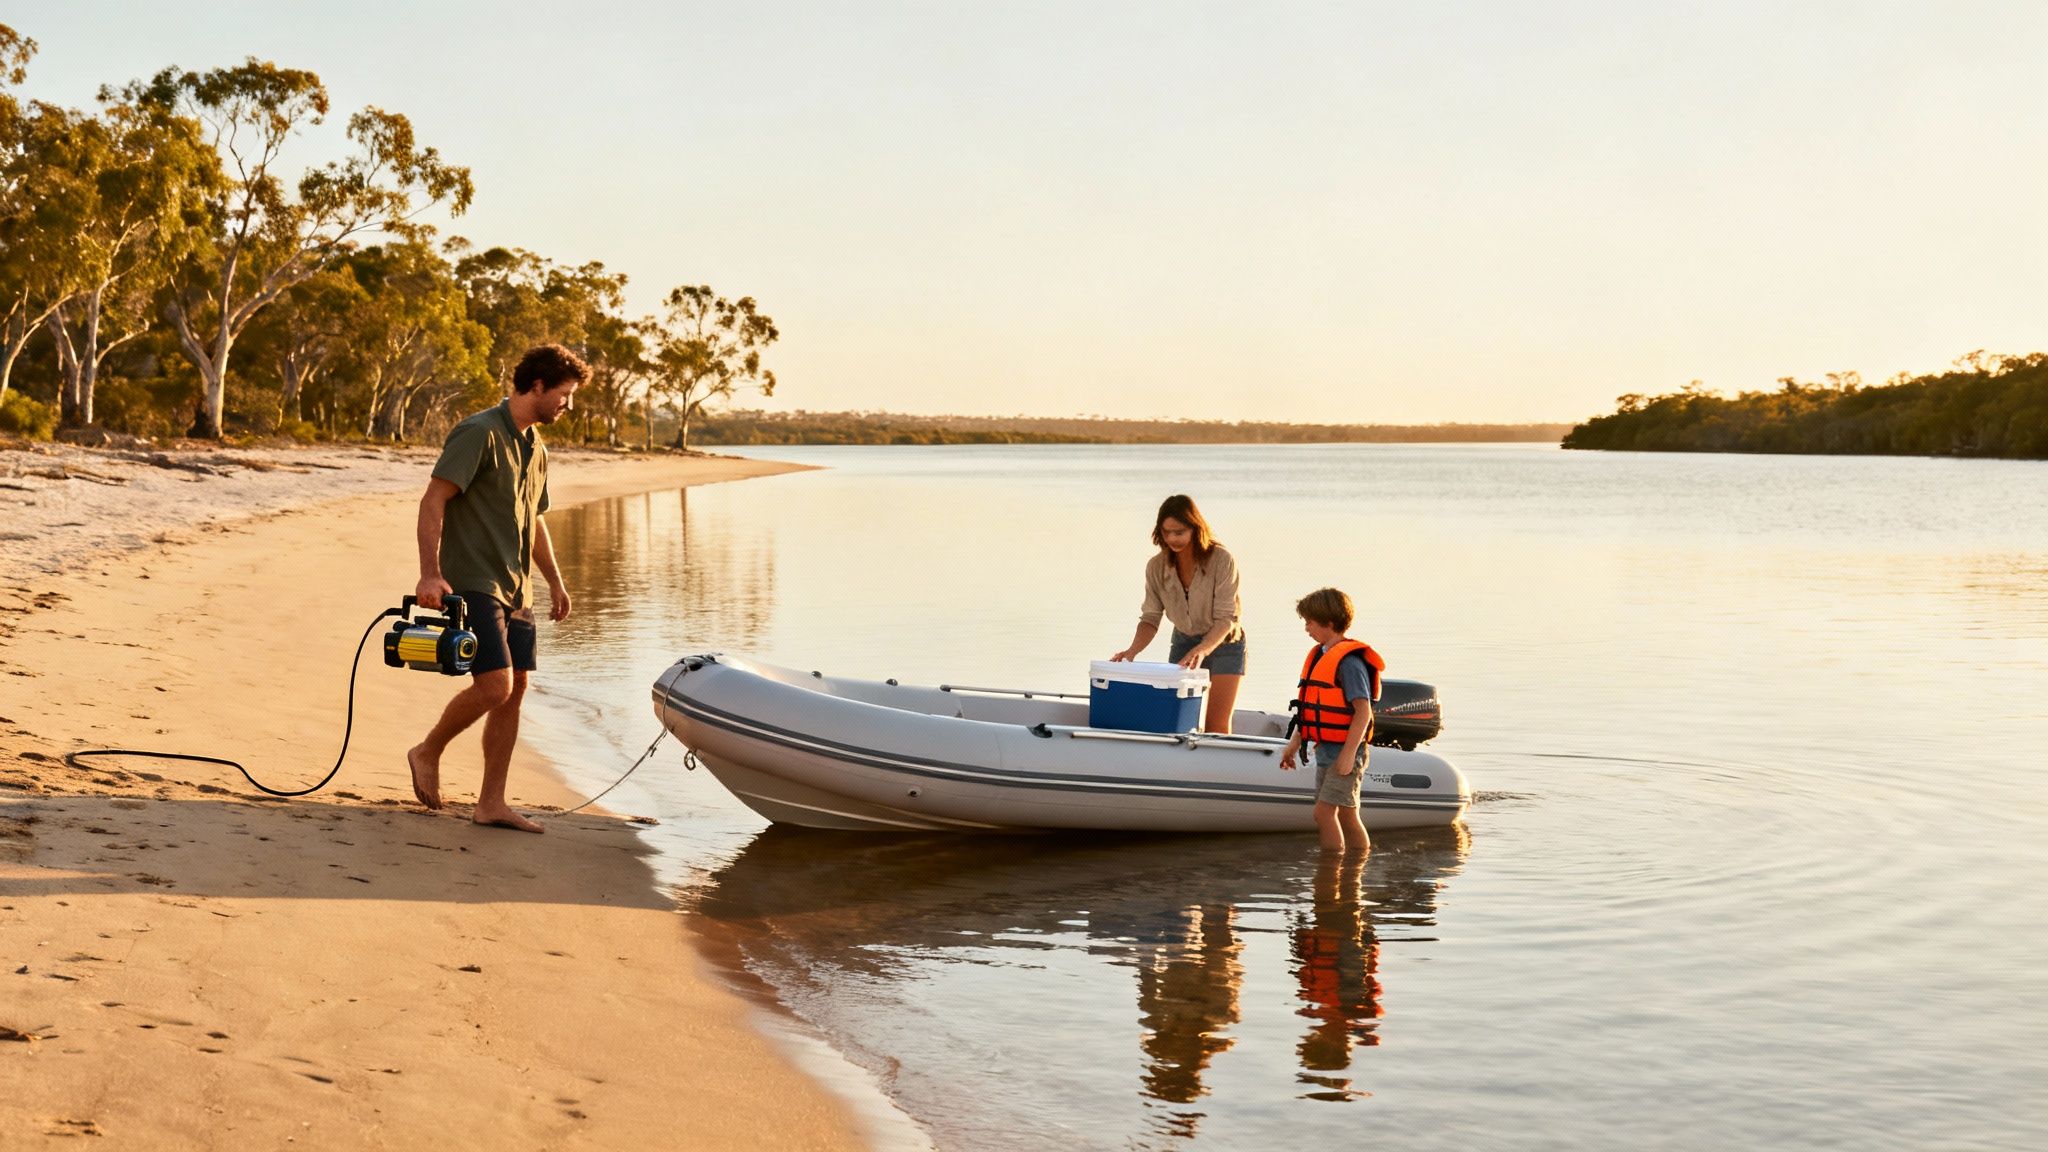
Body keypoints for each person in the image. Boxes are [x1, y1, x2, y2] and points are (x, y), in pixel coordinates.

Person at [405, 344, 586, 833]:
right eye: (564, 396)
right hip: (474, 581)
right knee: (495, 685)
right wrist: (429, 573)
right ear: (538, 386)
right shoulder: (478, 433)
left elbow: (535, 521)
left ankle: (491, 803)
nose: (566, 407)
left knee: (515, 690)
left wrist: (555, 581)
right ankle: (428, 749)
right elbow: (432, 501)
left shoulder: (536, 447)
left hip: (516, 587)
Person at [1109, 494, 1246, 733]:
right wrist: (1132, 651)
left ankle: (1218, 767)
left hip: (1225, 643)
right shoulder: (1155, 567)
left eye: (1179, 532)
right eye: (1166, 532)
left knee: (1216, 723)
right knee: (1175, 721)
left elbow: (1226, 617)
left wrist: (1202, 649)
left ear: (1195, 528)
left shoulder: (1222, 560)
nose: (1172, 538)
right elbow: (1151, 617)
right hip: (1183, 641)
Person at [1278, 587, 1383, 853]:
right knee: (1346, 815)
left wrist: (1348, 756)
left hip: (1345, 752)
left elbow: (1363, 712)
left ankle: (1331, 871)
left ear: (1330, 623)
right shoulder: (1320, 656)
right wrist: (1293, 744)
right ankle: (1354, 871)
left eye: (1310, 622)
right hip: (1326, 750)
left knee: (1323, 814)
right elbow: (1311, 709)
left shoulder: (1349, 663)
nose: (1306, 629)